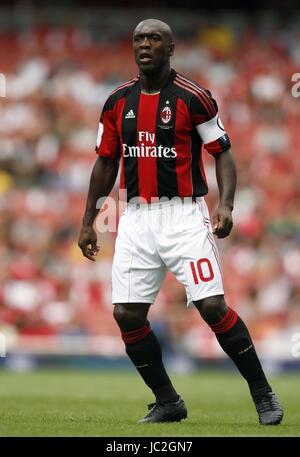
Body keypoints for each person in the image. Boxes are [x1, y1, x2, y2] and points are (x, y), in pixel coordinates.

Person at [78, 18, 284, 425]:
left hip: (185, 215)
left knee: (211, 305)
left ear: (170, 48)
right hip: (135, 217)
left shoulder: (194, 97)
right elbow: (106, 161)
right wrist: (88, 220)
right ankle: (168, 400)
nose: (145, 45)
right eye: (139, 39)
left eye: (154, 39)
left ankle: (263, 395)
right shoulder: (117, 101)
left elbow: (222, 152)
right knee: (126, 314)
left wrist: (225, 204)